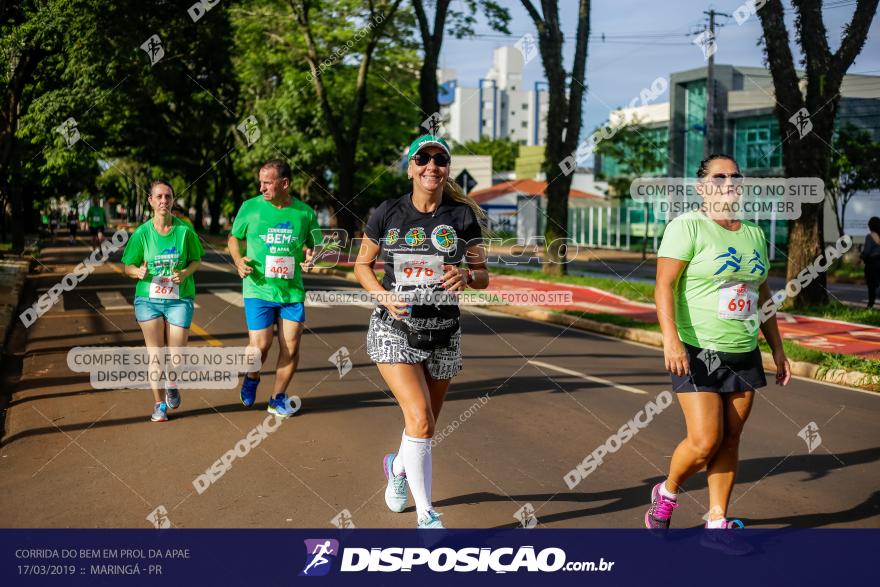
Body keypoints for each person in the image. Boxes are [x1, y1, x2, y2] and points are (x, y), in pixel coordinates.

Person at [647, 154, 791, 544]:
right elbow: (663, 286)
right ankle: (668, 491)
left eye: (735, 176)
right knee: (705, 440)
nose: (728, 181)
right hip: (697, 347)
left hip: (743, 349)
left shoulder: (755, 234)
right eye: (719, 176)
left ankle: (716, 520)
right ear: (702, 186)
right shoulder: (687, 226)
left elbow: (762, 296)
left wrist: (776, 348)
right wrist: (670, 340)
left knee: (730, 439)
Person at [354, 134, 489, 529]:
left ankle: (397, 467)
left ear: (447, 169)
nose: (432, 166)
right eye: (423, 159)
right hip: (395, 328)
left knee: (424, 425)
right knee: (422, 421)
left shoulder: (462, 218)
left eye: (440, 159)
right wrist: (383, 296)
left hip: (444, 332)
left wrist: (466, 274)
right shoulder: (387, 213)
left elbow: (483, 277)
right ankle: (427, 515)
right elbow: (363, 266)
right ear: (410, 167)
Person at [228, 159, 321, 418]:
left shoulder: (304, 213)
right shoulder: (250, 208)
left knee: (290, 346)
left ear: (284, 183)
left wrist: (312, 256)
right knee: (260, 345)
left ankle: (277, 397)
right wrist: (238, 260)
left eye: (267, 183)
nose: (262, 188)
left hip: (291, 291)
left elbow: (316, 244)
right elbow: (234, 238)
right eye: (261, 182)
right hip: (258, 287)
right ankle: (252, 375)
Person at [122, 180, 203, 422]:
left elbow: (196, 260)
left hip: (179, 298)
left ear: (173, 200)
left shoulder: (185, 231)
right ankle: (159, 405)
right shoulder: (142, 233)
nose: (163, 201)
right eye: (159, 197)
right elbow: (127, 265)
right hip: (148, 299)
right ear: (150, 201)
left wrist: (185, 273)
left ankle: (172, 383)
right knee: (156, 355)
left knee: (177, 356)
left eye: (167, 197)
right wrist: (137, 272)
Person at [861, 216, 880, 309]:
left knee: (871, 285)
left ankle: (870, 304)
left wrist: (862, 256)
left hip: (872, 264)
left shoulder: (870, 236)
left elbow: (867, 251)